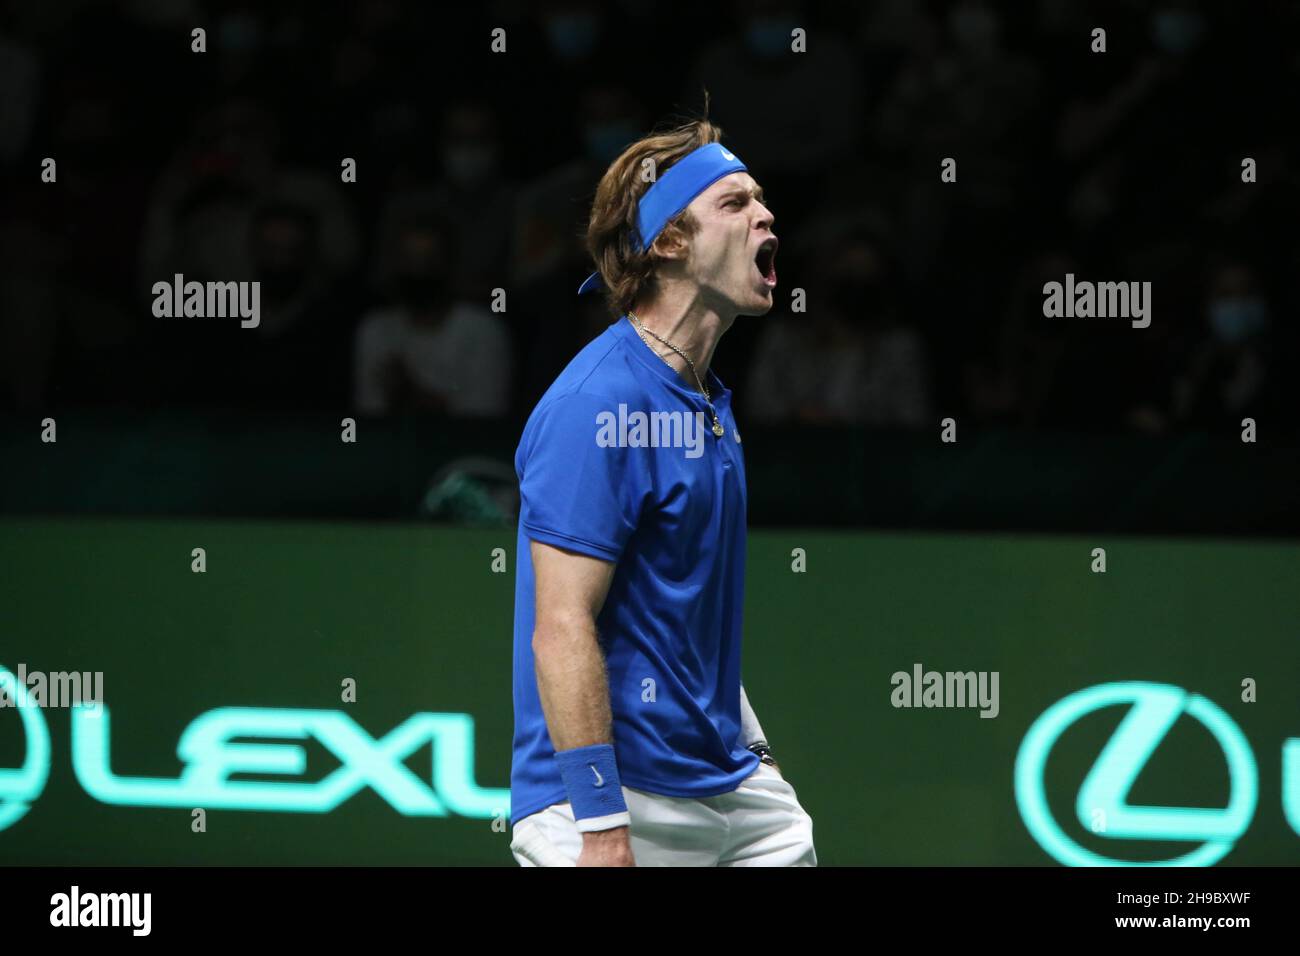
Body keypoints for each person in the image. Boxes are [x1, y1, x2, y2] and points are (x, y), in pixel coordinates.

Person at [508, 115, 817, 866]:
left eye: (763, 199)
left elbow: (689, 619)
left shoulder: (708, 405)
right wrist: (604, 827)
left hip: (738, 793)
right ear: (670, 243)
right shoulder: (596, 404)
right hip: (621, 803)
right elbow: (561, 626)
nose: (765, 214)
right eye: (735, 203)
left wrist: (758, 753)